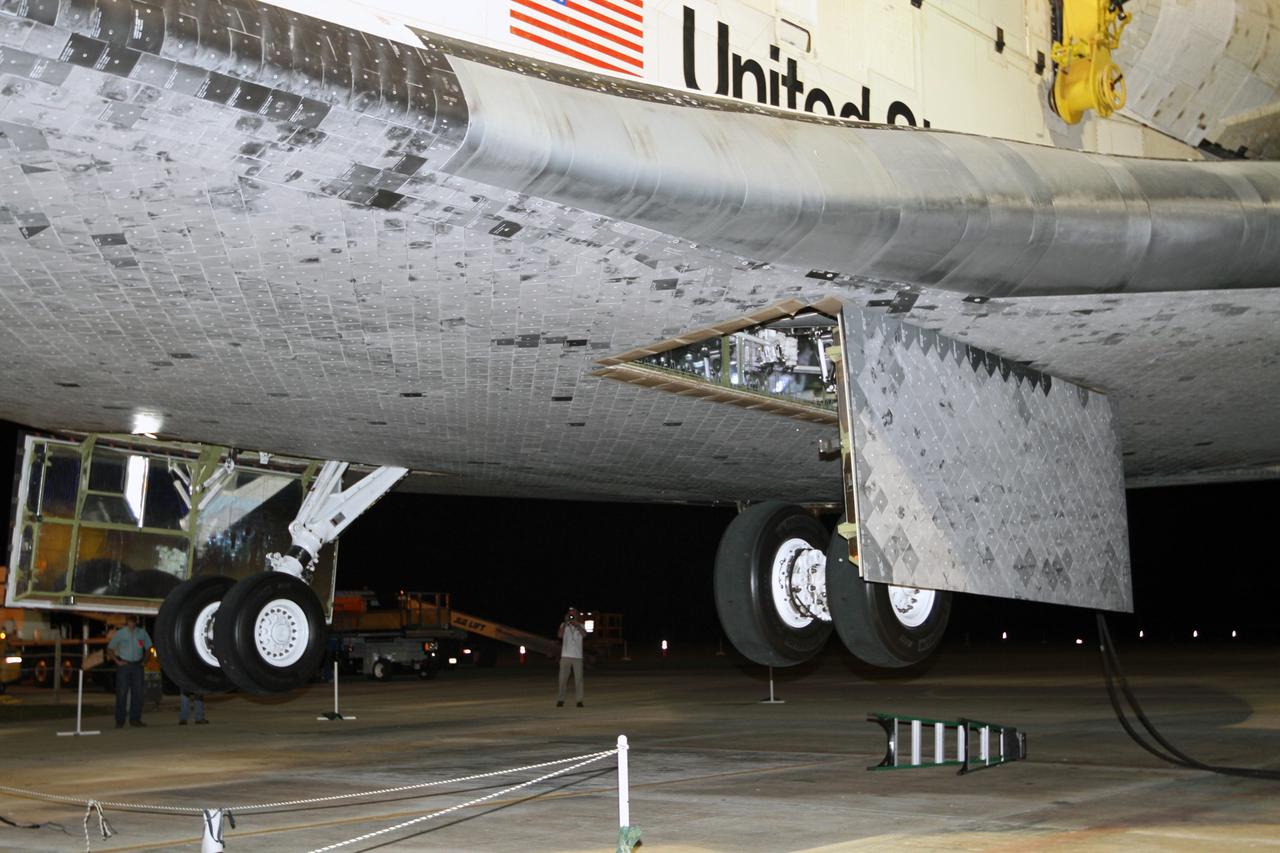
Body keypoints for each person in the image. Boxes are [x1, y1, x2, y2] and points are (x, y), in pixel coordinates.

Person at [107, 614, 152, 728]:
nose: (131, 623)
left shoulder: (142, 633)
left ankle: (135, 719)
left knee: (137, 694)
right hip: (124, 666)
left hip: (137, 666)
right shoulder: (120, 633)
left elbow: (148, 647)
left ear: (136, 622)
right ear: (127, 622)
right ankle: (119, 721)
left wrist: (145, 661)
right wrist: (117, 661)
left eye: (133, 621)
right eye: (129, 621)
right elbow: (110, 648)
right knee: (121, 693)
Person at [556, 607, 585, 708]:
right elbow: (559, 635)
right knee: (562, 679)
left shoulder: (581, 625)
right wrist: (566, 623)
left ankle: (579, 701)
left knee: (579, 680)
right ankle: (560, 699)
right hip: (565, 656)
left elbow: (584, 634)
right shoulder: (564, 625)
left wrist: (577, 625)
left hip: (577, 657)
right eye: (570, 614)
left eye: (573, 614)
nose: (572, 616)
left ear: (577, 615)